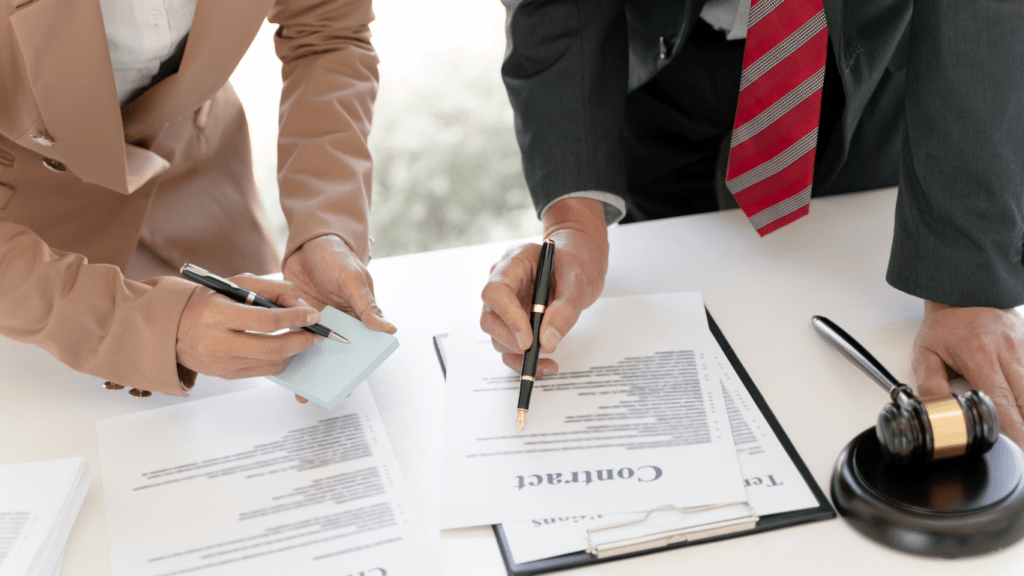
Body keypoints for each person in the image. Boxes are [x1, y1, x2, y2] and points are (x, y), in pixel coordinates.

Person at [480, 0, 1024, 447]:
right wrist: (573, 226)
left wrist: (962, 283)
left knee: (823, 387)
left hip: (860, 69)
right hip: (660, 66)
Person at [0, 0, 394, 400]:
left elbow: (327, 33)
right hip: (29, 248)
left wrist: (326, 224)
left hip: (201, 171)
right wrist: (150, 328)